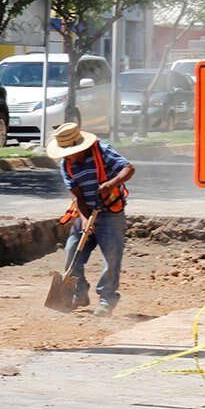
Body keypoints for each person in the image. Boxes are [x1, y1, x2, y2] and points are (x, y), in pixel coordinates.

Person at [46, 121, 135, 317]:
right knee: (72, 250)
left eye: (69, 152)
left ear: (79, 147)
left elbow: (128, 168)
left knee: (112, 257)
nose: (67, 157)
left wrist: (110, 184)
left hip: (111, 213)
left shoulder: (102, 151)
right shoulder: (66, 165)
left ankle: (106, 300)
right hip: (86, 210)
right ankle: (79, 293)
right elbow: (78, 196)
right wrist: (85, 219)